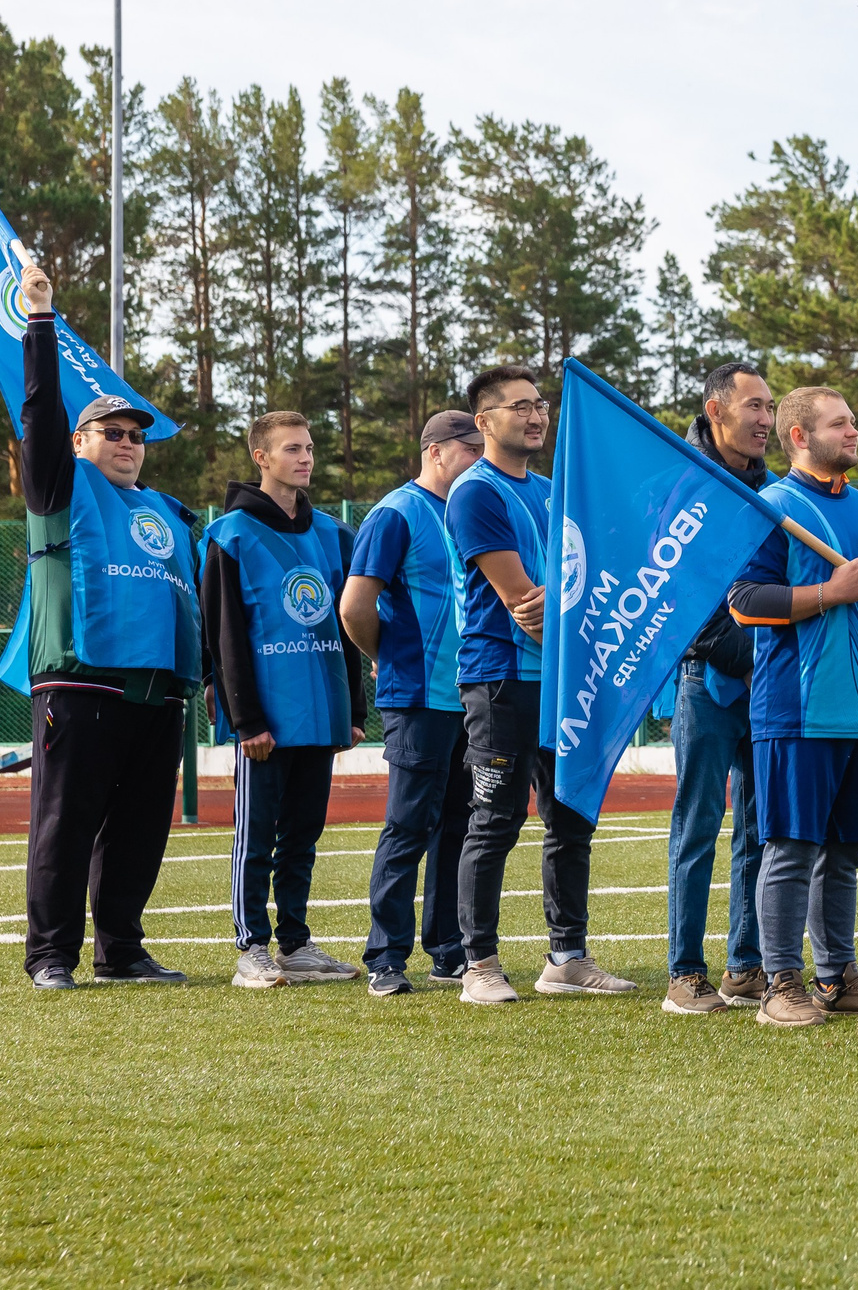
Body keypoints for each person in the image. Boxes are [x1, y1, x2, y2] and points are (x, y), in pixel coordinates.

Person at [12, 263, 204, 991]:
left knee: (139, 831)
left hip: (158, 693)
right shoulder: (60, 489)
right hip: (80, 684)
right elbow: (39, 414)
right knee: (65, 825)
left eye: (136, 436)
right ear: (80, 441)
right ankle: (51, 955)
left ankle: (120, 949)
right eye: (111, 432)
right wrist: (40, 321)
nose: (127, 442)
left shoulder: (168, 512)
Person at [449, 365, 636, 1003]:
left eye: (541, 405)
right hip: (501, 678)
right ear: (484, 421)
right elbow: (522, 604)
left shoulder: (555, 491)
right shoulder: (476, 493)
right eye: (520, 406)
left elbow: (565, 596)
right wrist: (563, 604)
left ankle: (567, 957)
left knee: (571, 817)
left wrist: (560, 603)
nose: (536, 416)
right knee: (495, 821)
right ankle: (478, 964)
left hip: (562, 677)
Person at [726, 387, 858, 1029]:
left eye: (853, 420)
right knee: (791, 849)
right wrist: (829, 592)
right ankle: (779, 983)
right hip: (796, 709)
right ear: (799, 436)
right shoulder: (774, 506)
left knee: (845, 853)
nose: (853, 430)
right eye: (838, 423)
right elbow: (743, 602)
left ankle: (836, 976)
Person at [203, 412, 369, 989]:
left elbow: (348, 625)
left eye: (310, 448)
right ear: (262, 458)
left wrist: (353, 710)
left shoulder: (333, 534)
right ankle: (251, 946)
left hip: (321, 712)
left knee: (302, 836)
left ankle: (295, 943)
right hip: (266, 721)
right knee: (256, 836)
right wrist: (246, 719)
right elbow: (224, 636)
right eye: (293, 449)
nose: (306, 458)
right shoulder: (229, 535)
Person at [340, 410, 484, 996]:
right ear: (436, 451)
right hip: (420, 697)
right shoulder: (396, 513)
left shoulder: (473, 510)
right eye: (470, 449)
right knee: (407, 825)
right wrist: (391, 656)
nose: (479, 460)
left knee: (459, 827)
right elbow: (354, 606)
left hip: (474, 696)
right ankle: (386, 956)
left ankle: (447, 950)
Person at [660, 361, 775, 1014]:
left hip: (765, 685)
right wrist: (755, 654)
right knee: (697, 826)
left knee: (758, 829)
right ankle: (684, 973)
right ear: (716, 410)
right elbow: (680, 603)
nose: (765, 419)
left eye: (770, 407)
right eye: (754, 405)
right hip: (706, 683)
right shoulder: (684, 488)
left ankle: (746, 966)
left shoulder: (775, 491)